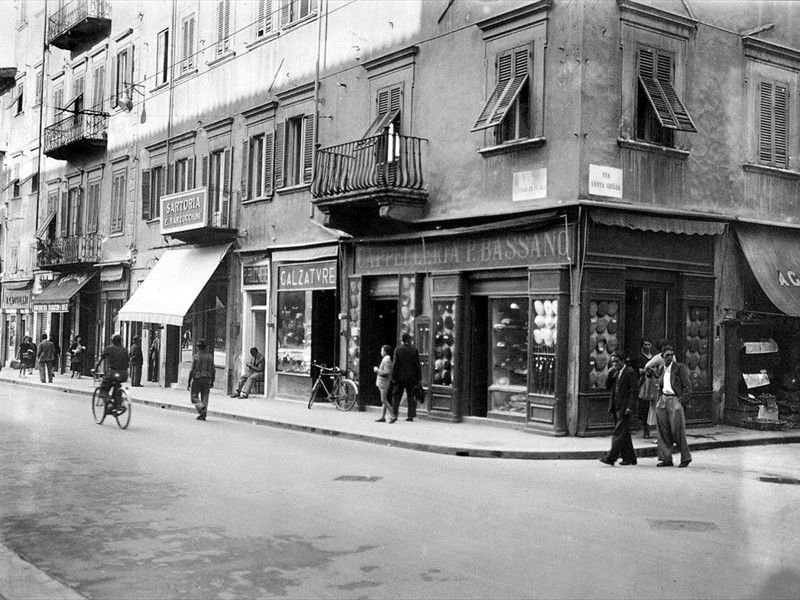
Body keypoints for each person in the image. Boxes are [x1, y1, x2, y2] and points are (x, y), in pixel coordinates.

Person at [655, 344, 693, 468]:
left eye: (672, 355)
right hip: (663, 399)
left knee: (677, 430)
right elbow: (660, 384)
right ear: (662, 356)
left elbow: (687, 386)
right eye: (667, 355)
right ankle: (666, 458)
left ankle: (685, 457)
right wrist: (659, 399)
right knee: (663, 431)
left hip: (674, 399)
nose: (670, 357)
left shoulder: (679, 367)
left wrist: (681, 401)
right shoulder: (662, 369)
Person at [599, 352, 639, 466]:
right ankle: (630, 458)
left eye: (616, 361)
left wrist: (630, 407)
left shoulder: (629, 372)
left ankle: (611, 457)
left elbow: (634, 391)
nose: (615, 364)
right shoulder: (615, 372)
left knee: (618, 433)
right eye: (613, 362)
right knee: (624, 434)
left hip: (625, 407)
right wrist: (610, 374)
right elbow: (607, 386)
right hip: (616, 406)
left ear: (622, 361)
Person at [93, 334, 130, 415]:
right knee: (117, 386)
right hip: (124, 374)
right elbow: (128, 360)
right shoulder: (125, 350)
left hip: (113, 373)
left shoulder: (109, 348)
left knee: (103, 389)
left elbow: (101, 359)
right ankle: (118, 405)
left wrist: (95, 369)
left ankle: (109, 403)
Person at [391, 333, 422, 423]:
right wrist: (419, 378)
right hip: (411, 378)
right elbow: (417, 365)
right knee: (411, 396)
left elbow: (395, 365)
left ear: (402, 341)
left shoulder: (398, 350)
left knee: (397, 396)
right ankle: (410, 415)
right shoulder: (414, 350)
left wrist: (394, 377)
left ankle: (394, 414)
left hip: (400, 377)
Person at [187, 339, 215, 421]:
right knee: (205, 397)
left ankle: (201, 407)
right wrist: (212, 380)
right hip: (207, 379)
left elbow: (192, 370)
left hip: (197, 379)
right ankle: (203, 414)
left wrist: (188, 382)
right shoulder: (210, 357)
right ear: (205, 347)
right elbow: (213, 370)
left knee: (194, 396)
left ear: (198, 348)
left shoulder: (196, 357)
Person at [635, 338, 654, 438]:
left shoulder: (653, 357)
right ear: (642, 346)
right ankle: (645, 429)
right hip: (644, 384)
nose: (647, 346)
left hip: (653, 383)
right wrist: (648, 371)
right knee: (645, 406)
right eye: (645, 345)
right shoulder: (640, 357)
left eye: (649, 344)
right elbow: (640, 371)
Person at [373, 344, 394, 422]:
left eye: (382, 350)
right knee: (384, 401)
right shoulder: (386, 360)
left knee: (384, 400)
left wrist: (377, 370)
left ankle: (393, 415)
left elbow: (386, 373)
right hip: (383, 383)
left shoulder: (386, 360)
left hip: (383, 383)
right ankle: (383, 416)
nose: (381, 352)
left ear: (385, 352)